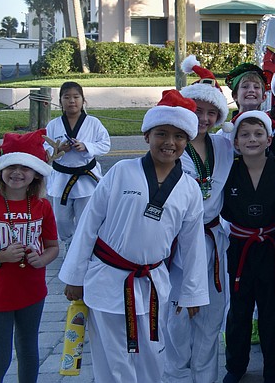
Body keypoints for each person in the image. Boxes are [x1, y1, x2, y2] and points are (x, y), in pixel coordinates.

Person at [59, 90, 209, 383]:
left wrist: (192, 292)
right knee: (112, 362)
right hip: (107, 279)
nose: (169, 142)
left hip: (152, 283)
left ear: (187, 142)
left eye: (179, 136)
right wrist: (74, 276)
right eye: (161, 134)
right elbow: (89, 224)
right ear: (146, 136)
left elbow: (192, 245)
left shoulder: (190, 188)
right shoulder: (121, 172)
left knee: (153, 358)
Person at [0, 129, 59, 383]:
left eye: (25, 167)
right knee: (0, 358)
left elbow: (52, 247)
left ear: (36, 173)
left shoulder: (42, 206)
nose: (17, 172)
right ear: (0, 170)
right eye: (11, 166)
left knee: (28, 351)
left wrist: (43, 259)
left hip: (32, 291)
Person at [163, 56, 235, 383]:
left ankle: (206, 377)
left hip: (214, 241)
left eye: (211, 113)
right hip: (178, 245)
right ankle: (178, 377)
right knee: (177, 317)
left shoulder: (224, 144)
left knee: (211, 316)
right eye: (197, 110)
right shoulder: (172, 147)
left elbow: (258, 141)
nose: (203, 118)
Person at [221, 111, 275, 383]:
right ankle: (235, 367)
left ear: (269, 139)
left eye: (258, 134)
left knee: (272, 309)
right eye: (245, 135)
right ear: (235, 141)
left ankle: (273, 366)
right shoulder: (227, 168)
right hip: (240, 247)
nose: (252, 139)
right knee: (239, 310)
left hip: (270, 248)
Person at [45, 81, 111, 243]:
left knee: (85, 218)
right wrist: (59, 150)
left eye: (76, 97)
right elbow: (45, 147)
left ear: (83, 100)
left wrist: (86, 146)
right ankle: (68, 243)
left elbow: (105, 144)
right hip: (62, 178)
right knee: (61, 220)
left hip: (86, 179)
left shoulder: (93, 123)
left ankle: (83, 248)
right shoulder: (54, 125)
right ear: (60, 101)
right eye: (66, 97)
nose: (72, 101)